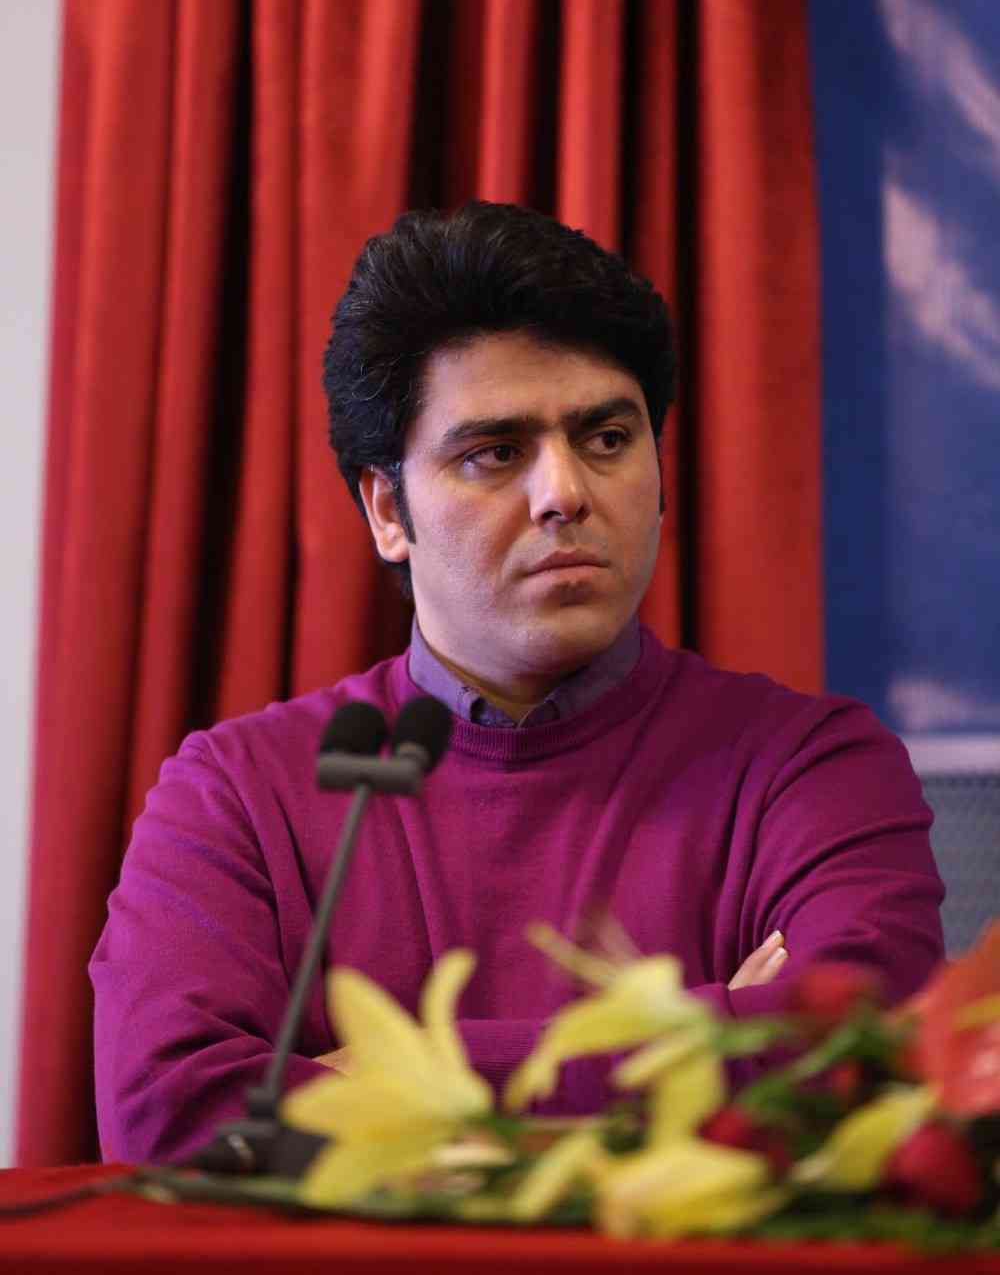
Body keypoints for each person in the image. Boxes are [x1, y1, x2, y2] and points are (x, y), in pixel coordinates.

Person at [90, 201, 945, 1163]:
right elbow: (172, 1115)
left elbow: (861, 1051)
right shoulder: (237, 794)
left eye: (607, 438)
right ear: (387, 511)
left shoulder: (812, 765)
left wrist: (381, 1079)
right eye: (495, 453)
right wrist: (709, 1041)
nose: (564, 493)